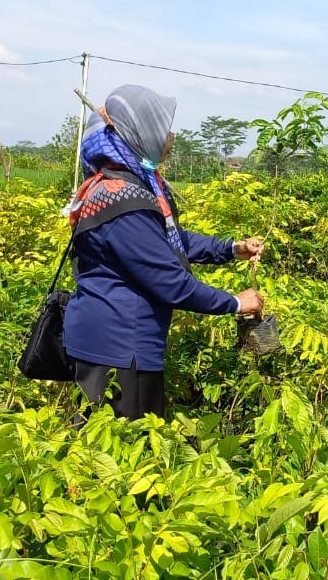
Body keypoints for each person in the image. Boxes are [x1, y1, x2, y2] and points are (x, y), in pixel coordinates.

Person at [62, 84, 264, 420]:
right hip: (121, 350)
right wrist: (235, 303)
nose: (171, 138)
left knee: (96, 452)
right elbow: (169, 281)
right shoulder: (124, 199)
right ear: (141, 134)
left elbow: (167, 239)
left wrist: (230, 249)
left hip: (105, 343)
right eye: (164, 130)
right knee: (127, 455)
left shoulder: (120, 184)